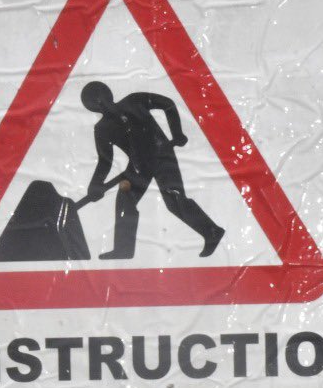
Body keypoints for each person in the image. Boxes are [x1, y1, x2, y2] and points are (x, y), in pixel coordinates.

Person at [81, 80, 224, 260]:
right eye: (97, 103)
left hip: (162, 156)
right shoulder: (102, 129)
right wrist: (95, 185)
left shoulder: (134, 101)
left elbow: (167, 104)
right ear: (93, 108)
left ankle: (212, 231)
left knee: (174, 200)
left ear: (109, 94)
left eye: (103, 98)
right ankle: (123, 249)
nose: (103, 104)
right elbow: (105, 160)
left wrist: (177, 133)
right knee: (125, 201)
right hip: (138, 167)